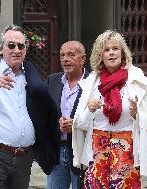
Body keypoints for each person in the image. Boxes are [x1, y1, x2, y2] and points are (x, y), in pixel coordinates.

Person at [72, 30, 147, 189]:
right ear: (100, 55)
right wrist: (89, 110)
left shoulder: (138, 81)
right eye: (106, 49)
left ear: (123, 53)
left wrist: (136, 115)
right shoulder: (91, 83)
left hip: (127, 152)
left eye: (115, 48)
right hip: (96, 153)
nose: (111, 53)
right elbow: (79, 125)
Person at [0, 24, 60, 189]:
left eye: (21, 46)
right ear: (1, 49)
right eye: (11, 45)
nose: (16, 50)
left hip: (24, 155)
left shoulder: (31, 74)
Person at [46, 41, 89, 189]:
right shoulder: (52, 81)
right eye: (62, 55)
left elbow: (99, 118)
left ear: (82, 59)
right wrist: (55, 123)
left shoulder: (93, 83)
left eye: (71, 54)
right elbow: (45, 114)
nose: (65, 59)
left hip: (82, 151)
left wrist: (76, 125)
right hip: (57, 151)